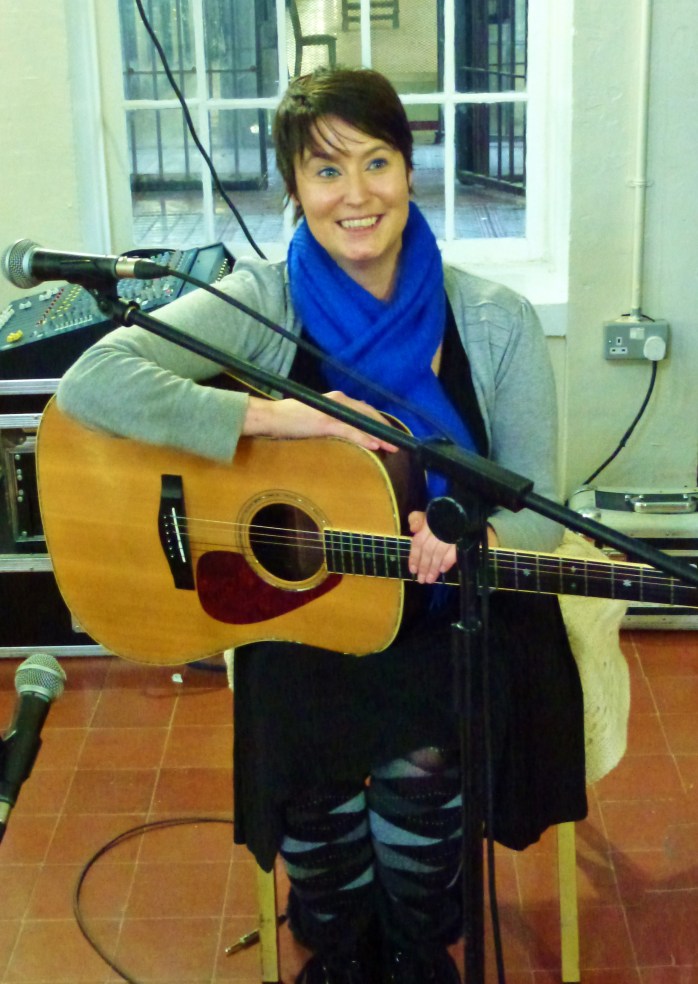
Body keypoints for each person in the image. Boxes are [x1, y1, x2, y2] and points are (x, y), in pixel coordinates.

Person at [57, 67, 587, 984]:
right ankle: (338, 952)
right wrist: (276, 417)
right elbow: (91, 382)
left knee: (425, 765)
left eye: (375, 162)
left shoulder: (495, 322)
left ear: (410, 170)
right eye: (325, 170)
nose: (356, 195)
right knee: (310, 774)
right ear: (295, 189)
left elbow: (542, 519)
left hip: (452, 619)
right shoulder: (260, 304)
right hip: (309, 615)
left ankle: (423, 951)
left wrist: (479, 545)